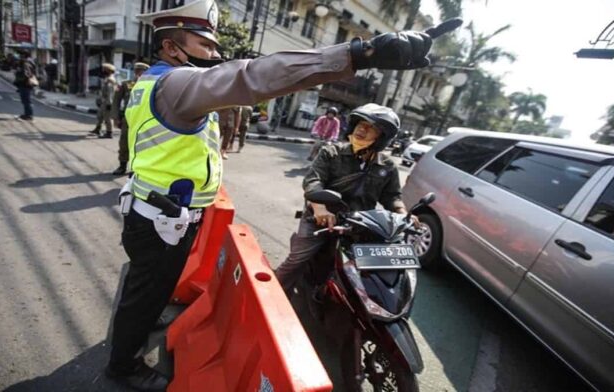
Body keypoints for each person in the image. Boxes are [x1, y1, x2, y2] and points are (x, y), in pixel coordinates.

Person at [105, 0, 445, 389]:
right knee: (145, 292)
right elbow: (252, 77)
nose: (215, 54)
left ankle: (142, 324)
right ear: (171, 49)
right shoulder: (178, 83)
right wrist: (359, 53)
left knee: (153, 288)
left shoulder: (150, 81)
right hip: (162, 219)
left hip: (160, 212)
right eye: (205, 46)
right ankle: (123, 365)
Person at [275, 104, 418, 293]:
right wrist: (320, 209)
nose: (362, 129)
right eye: (360, 123)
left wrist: (403, 214)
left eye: (371, 126)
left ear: (382, 136)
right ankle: (270, 294)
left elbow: (392, 196)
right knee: (296, 261)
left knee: (373, 274)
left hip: (361, 225)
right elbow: (313, 181)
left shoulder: (387, 166)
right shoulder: (331, 153)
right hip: (322, 221)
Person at [111, 62, 149, 175]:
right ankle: (122, 165)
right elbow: (116, 101)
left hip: (144, 119)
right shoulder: (127, 84)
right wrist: (116, 117)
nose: (138, 73)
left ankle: (136, 168)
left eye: (141, 71)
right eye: (136, 71)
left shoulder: (152, 84)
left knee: (141, 145)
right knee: (124, 142)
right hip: (129, 119)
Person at [90, 63, 117, 138]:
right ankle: (98, 129)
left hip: (107, 102)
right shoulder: (107, 79)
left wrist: (109, 104)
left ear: (108, 71)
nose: (103, 71)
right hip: (104, 101)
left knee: (107, 118)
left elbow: (110, 93)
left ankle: (109, 132)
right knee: (100, 116)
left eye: (104, 70)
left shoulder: (110, 80)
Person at [13, 50, 37, 121]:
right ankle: (27, 114)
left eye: (21, 55)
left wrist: (19, 73)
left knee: (26, 100)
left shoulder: (26, 64)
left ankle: (29, 115)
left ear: (24, 56)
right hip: (25, 84)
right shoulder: (27, 63)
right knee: (25, 100)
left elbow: (27, 74)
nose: (19, 57)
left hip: (25, 84)